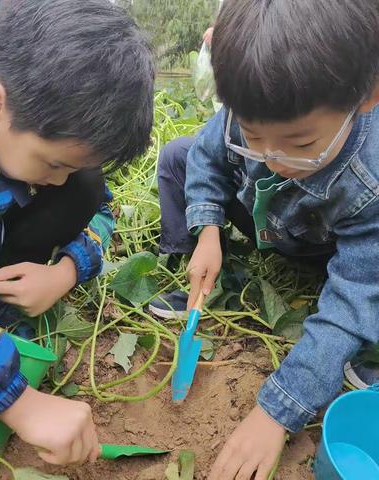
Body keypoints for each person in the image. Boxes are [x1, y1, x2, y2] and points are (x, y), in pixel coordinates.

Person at [0, 0, 154, 466]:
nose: (57, 179)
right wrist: (19, 401)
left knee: (86, 185)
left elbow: (101, 210)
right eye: (54, 164)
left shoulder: (46, 108)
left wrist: (64, 272)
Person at [149, 0, 379, 478]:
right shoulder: (244, 113)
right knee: (178, 155)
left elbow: (354, 293)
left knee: (363, 300)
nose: (271, 157)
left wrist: (278, 410)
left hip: (334, 246)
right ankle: (198, 266)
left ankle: (363, 353)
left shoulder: (370, 177)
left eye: (299, 144)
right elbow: (209, 161)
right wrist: (208, 231)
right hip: (271, 221)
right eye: (253, 137)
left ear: (368, 97)